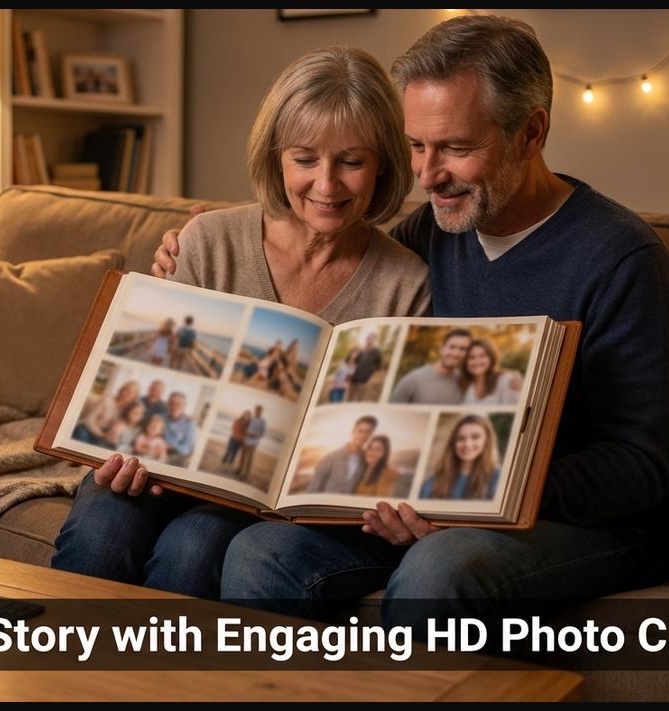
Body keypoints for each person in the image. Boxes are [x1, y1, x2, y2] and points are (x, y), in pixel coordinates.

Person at [153, 15, 669, 626]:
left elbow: (638, 467)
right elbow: (330, 249)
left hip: (581, 523)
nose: (428, 175)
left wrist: (475, 496)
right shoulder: (431, 231)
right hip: (423, 501)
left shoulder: (622, 259)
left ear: (531, 131)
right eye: (416, 146)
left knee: (439, 571)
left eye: (457, 149)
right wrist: (188, 244)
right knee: (259, 552)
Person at [51, 46, 428, 600]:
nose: (326, 185)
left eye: (351, 161)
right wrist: (119, 449)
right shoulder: (209, 241)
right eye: (305, 159)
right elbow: (148, 373)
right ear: (277, 157)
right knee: (103, 525)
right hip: (161, 467)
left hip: (270, 504)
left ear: (383, 166)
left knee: (194, 545)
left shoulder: (407, 283)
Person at [421, 415, 502, 500]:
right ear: (453, 443)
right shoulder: (435, 480)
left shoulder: (497, 478)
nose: (467, 444)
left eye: (475, 437)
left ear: (487, 441)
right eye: (460, 438)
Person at [389, 328, 472, 404]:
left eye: (463, 349)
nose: (456, 353)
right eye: (452, 347)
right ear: (442, 348)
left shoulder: (465, 382)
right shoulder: (414, 379)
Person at [307, 415, 378, 494]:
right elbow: (313, 488)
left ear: (371, 435)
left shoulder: (365, 461)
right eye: (360, 431)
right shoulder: (331, 457)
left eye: (368, 432)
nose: (363, 435)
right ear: (353, 431)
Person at [73, 380, 140, 448]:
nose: (129, 394)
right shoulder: (107, 400)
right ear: (122, 390)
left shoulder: (128, 410)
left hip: (103, 439)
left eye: (133, 393)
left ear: (134, 397)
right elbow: (89, 419)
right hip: (87, 430)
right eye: (127, 390)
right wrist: (101, 435)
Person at [460, 338, 522, 406]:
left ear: (491, 358)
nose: (477, 361)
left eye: (482, 356)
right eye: (471, 357)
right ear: (465, 361)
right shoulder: (466, 384)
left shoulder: (506, 380)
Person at [347, 333, 384, 401]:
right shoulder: (361, 351)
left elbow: (379, 366)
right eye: (368, 339)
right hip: (354, 380)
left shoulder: (377, 352)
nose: (369, 340)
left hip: (364, 381)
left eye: (372, 339)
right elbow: (354, 363)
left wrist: (371, 375)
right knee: (350, 399)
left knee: (360, 399)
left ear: (375, 340)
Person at [237, 405, 268, 481]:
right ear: (255, 410)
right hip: (246, 441)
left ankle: (245, 475)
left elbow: (263, 433)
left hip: (253, 443)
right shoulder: (251, 419)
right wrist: (245, 433)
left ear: (261, 411)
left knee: (249, 459)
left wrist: (254, 435)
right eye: (256, 410)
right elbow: (245, 428)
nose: (257, 411)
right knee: (243, 457)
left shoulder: (262, 422)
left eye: (259, 410)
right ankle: (239, 470)